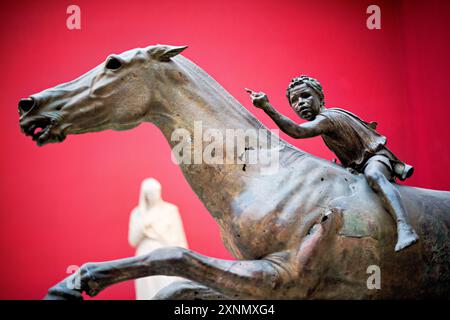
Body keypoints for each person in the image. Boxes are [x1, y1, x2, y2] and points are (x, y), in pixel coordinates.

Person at [246, 75, 418, 252]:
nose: (301, 103)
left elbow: (297, 132)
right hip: (356, 167)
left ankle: (404, 227)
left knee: (374, 175)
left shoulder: (328, 118)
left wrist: (267, 107)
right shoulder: (324, 123)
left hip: (374, 159)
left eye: (305, 96)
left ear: (320, 98)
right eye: (295, 101)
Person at [128, 178, 188, 299]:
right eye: (151, 193)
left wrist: (184, 261)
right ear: (145, 195)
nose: (155, 195)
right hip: (145, 257)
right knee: (148, 293)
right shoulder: (138, 213)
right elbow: (133, 241)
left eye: (156, 191)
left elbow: (179, 238)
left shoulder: (170, 210)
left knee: (168, 290)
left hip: (166, 255)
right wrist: (142, 226)